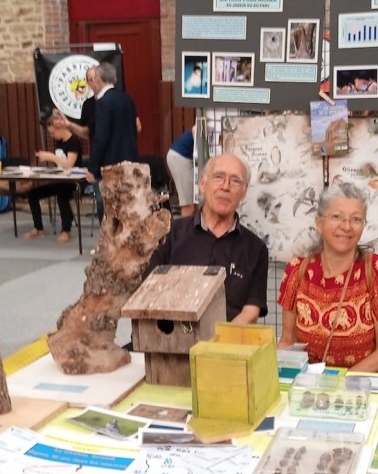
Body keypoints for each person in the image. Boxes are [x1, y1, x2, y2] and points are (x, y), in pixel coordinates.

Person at [277, 183, 378, 371]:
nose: (346, 226)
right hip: (311, 388)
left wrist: (340, 384)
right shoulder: (297, 270)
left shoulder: (377, 270)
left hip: (363, 386)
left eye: (356, 219)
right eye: (337, 217)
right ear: (319, 223)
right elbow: (288, 339)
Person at [147, 153, 268, 324]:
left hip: (226, 344)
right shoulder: (169, 234)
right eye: (219, 177)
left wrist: (218, 343)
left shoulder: (256, 249)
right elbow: (149, 292)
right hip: (171, 339)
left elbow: (251, 310)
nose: (226, 186)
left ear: (244, 192)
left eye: (235, 181)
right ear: (203, 183)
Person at [83, 62, 139, 222]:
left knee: (107, 208)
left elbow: (101, 138)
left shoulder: (103, 102)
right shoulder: (127, 99)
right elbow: (133, 130)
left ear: (98, 79)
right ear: (114, 78)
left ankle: (108, 245)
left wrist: (92, 168)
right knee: (128, 206)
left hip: (110, 164)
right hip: (130, 159)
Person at [24, 112, 82, 244]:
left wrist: (50, 157)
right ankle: (38, 228)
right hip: (61, 180)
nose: (51, 136)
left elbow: (68, 164)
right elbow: (60, 165)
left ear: (61, 129)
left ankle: (66, 230)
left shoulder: (73, 141)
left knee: (62, 196)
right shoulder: (59, 143)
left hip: (74, 181)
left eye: (53, 133)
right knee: (32, 194)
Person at [166, 127, 196, 217]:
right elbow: (195, 129)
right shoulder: (203, 124)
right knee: (188, 204)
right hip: (180, 158)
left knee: (195, 202)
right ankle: (184, 230)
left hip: (183, 157)